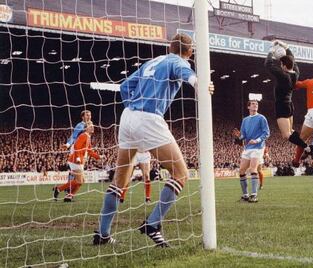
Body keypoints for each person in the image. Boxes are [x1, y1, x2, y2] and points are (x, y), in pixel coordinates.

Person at [93, 33, 214, 247]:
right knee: (181, 173)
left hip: (128, 116)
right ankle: (153, 224)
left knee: (119, 180)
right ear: (190, 51)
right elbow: (186, 73)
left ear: (170, 46)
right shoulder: (177, 60)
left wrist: (136, 104)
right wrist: (200, 84)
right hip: (148, 118)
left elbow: (124, 87)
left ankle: (102, 234)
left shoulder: (153, 61)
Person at [264, 40, 311, 154]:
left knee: (286, 135)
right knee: (291, 131)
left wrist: (271, 51)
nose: (280, 66)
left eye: (281, 65)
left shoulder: (283, 76)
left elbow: (268, 64)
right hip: (289, 105)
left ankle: (307, 148)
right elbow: (292, 60)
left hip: (282, 105)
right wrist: (286, 47)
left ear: (284, 66)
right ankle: (307, 147)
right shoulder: (296, 73)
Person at [232, 100, 270, 203]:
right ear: (248, 107)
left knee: (253, 169)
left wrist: (257, 140)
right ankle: (245, 196)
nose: (255, 105)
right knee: (241, 171)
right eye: (253, 104)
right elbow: (243, 134)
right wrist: (239, 138)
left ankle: (254, 195)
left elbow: (266, 133)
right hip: (248, 148)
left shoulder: (261, 118)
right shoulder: (245, 120)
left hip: (258, 147)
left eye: (256, 104)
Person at [53, 121, 101, 202]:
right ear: (86, 128)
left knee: (81, 181)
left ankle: (68, 195)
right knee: (79, 180)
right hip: (75, 160)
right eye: (90, 125)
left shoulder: (88, 137)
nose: (92, 126)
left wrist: (99, 157)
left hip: (79, 161)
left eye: (93, 125)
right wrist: (78, 158)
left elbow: (89, 151)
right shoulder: (83, 135)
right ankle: (59, 189)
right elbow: (76, 147)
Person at [61, 110, 92, 187]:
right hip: (77, 149)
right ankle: (67, 189)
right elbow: (74, 136)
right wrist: (68, 144)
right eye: (87, 115)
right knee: (77, 171)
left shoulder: (90, 125)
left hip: (83, 150)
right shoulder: (80, 125)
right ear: (82, 117)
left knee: (78, 172)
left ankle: (69, 190)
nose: (89, 116)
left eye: (90, 115)